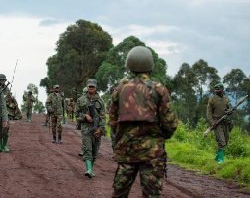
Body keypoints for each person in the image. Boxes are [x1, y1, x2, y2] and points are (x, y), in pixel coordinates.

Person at [109, 46, 178, 197]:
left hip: (126, 151)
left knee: (119, 194)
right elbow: (170, 124)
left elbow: (113, 123)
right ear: (150, 65)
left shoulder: (120, 90)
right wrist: (158, 137)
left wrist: (122, 138)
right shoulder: (159, 89)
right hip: (152, 153)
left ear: (129, 65)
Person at [75, 79, 106, 178]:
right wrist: (85, 116)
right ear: (87, 87)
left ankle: (91, 169)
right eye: (89, 86)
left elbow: (103, 117)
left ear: (96, 88)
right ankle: (88, 170)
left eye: (93, 87)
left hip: (97, 130)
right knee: (87, 149)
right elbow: (77, 114)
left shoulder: (100, 101)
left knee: (94, 152)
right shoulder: (81, 100)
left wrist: (99, 129)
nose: (91, 88)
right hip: (86, 129)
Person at [207, 83, 232, 164]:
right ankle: (221, 160)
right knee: (222, 141)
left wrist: (229, 112)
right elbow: (209, 113)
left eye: (218, 89)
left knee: (226, 140)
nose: (216, 91)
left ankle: (217, 157)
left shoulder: (226, 99)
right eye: (215, 89)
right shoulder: (212, 99)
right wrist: (212, 122)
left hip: (226, 122)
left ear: (222, 89)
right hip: (216, 123)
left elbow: (228, 110)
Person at [0, 74, 11, 153]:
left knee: (6, 129)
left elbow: (7, 98)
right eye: (1, 80)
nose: (2, 81)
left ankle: (5, 145)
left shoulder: (6, 89)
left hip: (5, 112)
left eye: (4, 80)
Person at [77, 86, 88, 157]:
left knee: (86, 137)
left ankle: (87, 151)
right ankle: (85, 151)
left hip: (89, 122)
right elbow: (77, 113)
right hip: (85, 122)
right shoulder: (80, 100)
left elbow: (77, 113)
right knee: (86, 136)